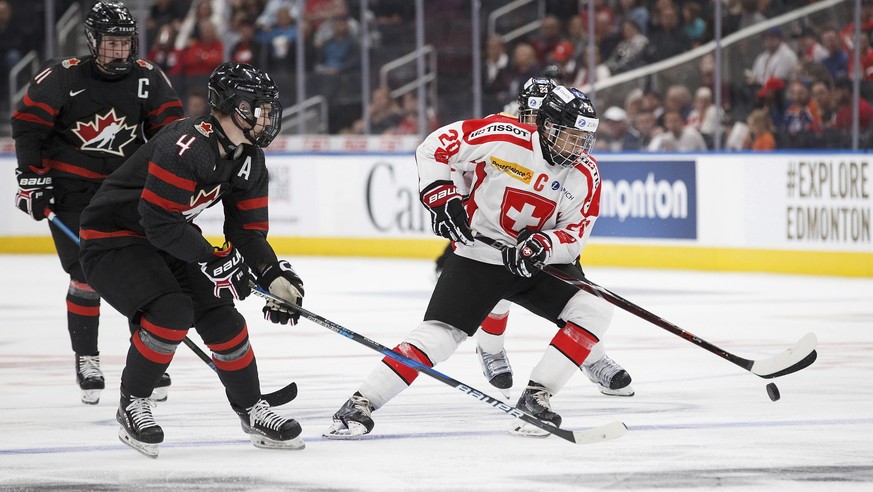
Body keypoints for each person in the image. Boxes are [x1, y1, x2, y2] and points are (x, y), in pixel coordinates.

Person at [325, 86, 623, 439]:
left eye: (583, 138)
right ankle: (360, 403)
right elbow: (434, 147)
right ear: (545, 126)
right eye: (569, 136)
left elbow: (574, 234)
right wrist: (441, 196)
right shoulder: (502, 135)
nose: (577, 147)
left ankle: (536, 397)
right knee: (439, 337)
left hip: (533, 264)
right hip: (479, 256)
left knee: (594, 310)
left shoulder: (586, 172)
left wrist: (543, 245)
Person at [77, 62, 306, 458]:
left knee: (222, 316)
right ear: (231, 106)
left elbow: (247, 233)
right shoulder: (185, 143)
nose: (267, 116)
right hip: (112, 238)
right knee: (172, 310)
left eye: (270, 107)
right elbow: (157, 220)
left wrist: (271, 275)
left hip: (167, 238)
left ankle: (251, 407)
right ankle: (132, 402)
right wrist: (212, 258)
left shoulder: (250, 158)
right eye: (258, 107)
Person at [11, 0, 184, 405]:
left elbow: (172, 134)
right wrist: (30, 178)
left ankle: (147, 362)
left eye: (125, 43)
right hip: (70, 191)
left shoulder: (148, 78)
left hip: (125, 191)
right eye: (110, 43)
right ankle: (87, 357)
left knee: (144, 272)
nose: (118, 51)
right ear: (92, 41)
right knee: (86, 275)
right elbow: (28, 126)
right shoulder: (62, 76)